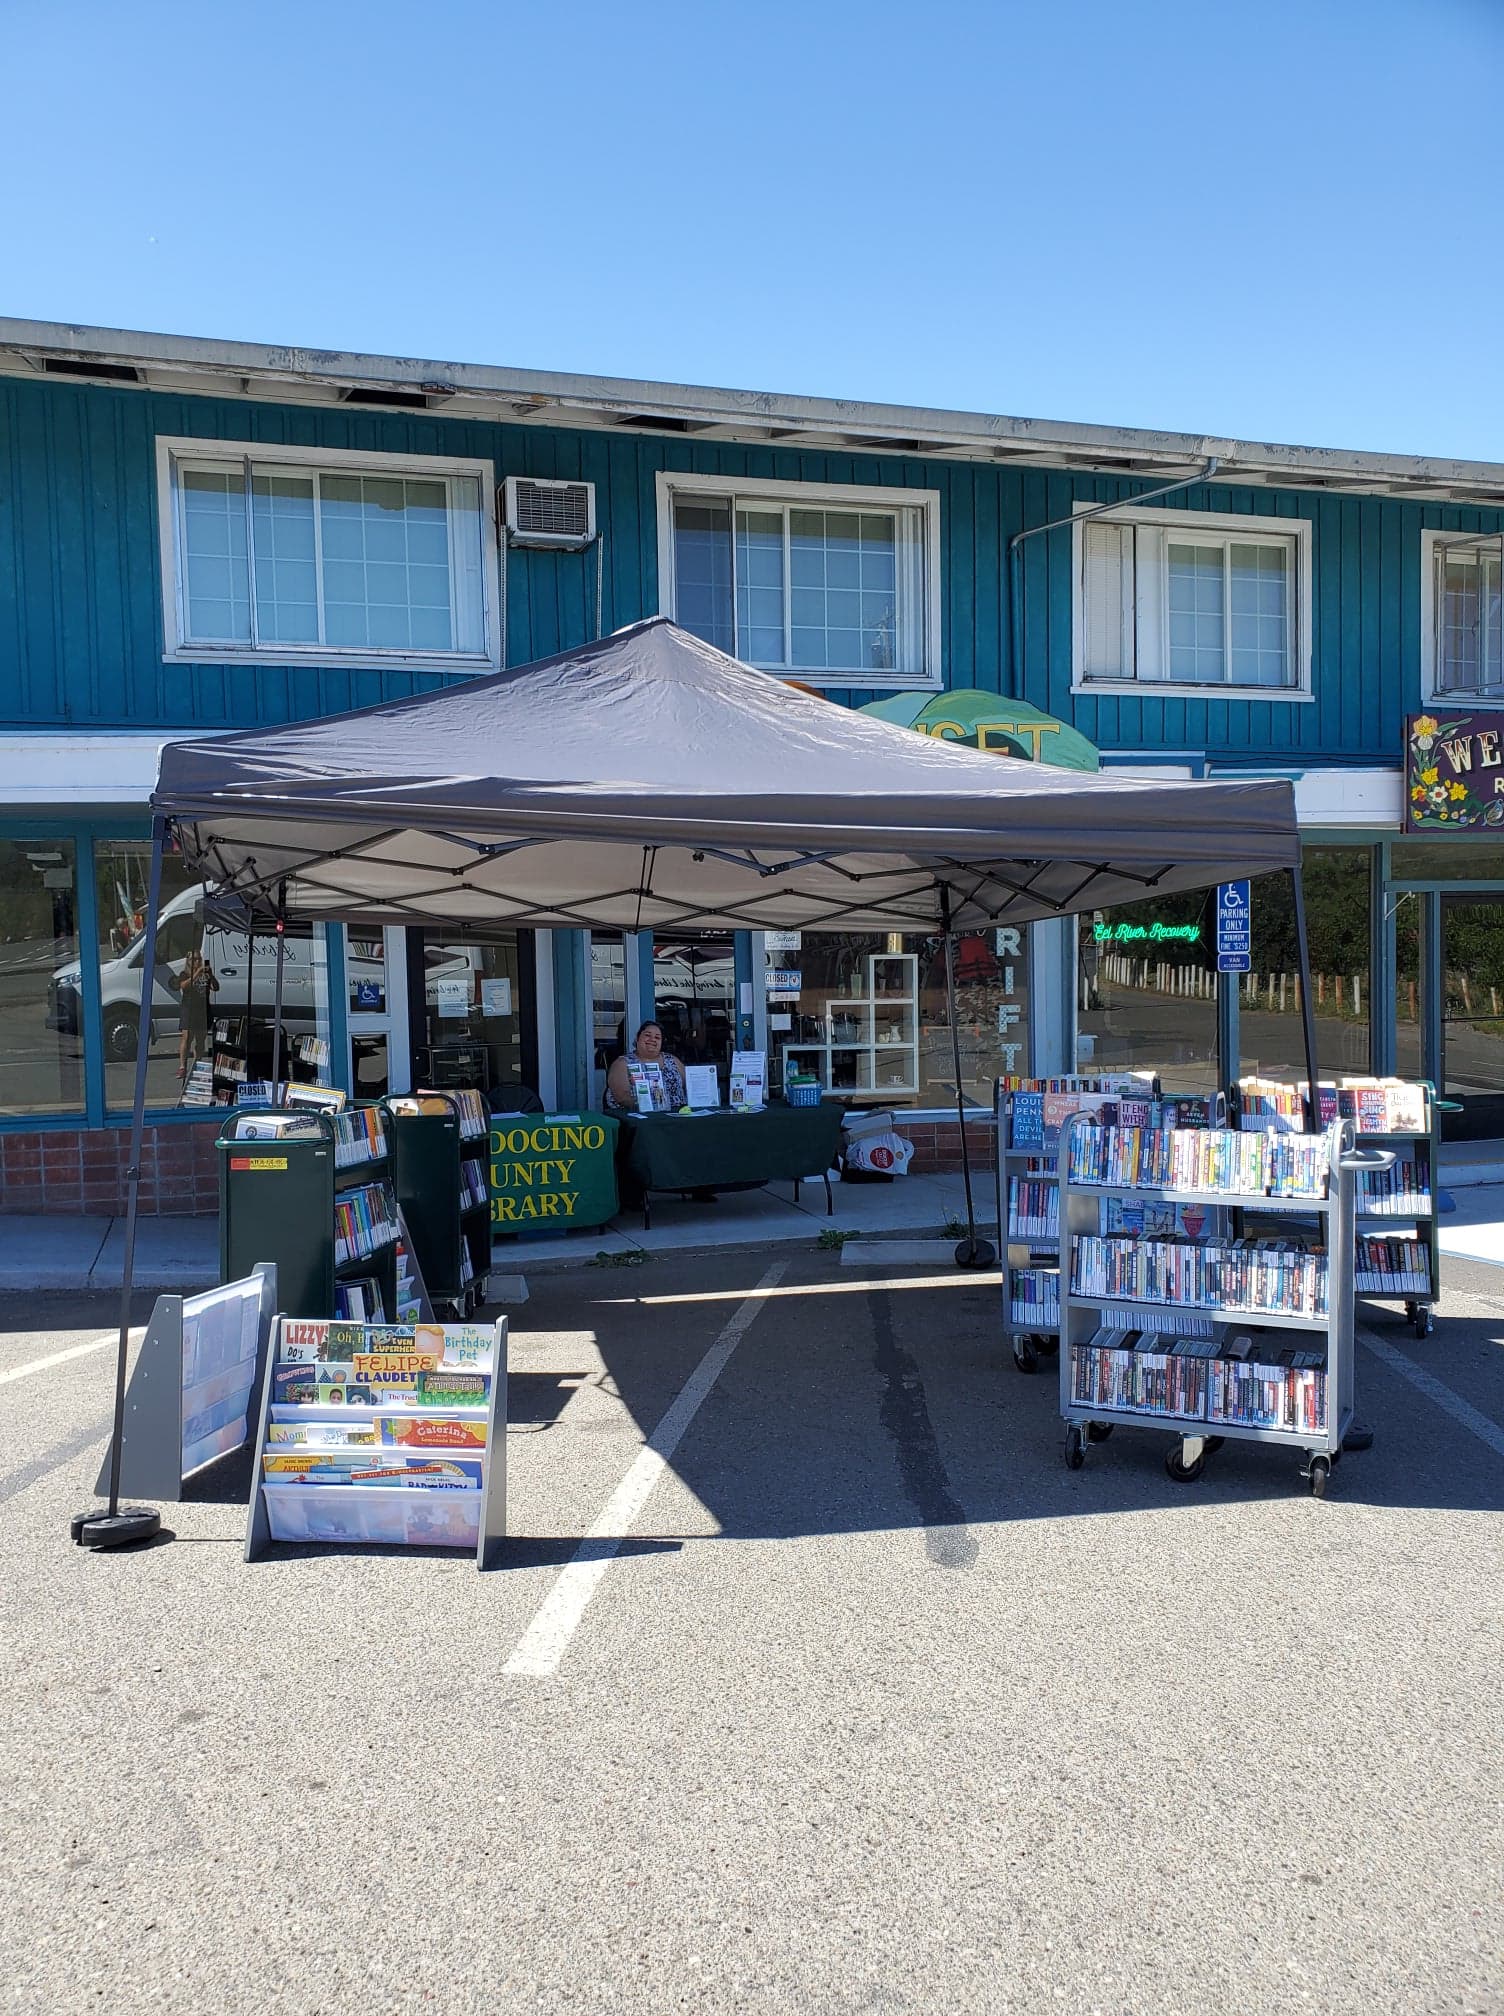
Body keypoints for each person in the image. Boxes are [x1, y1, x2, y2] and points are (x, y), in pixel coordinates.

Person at [605, 1020, 687, 1115]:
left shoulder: (672, 1060)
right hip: (637, 1117)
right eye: (647, 1035)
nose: (652, 1039)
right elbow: (622, 1096)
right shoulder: (623, 1063)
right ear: (637, 1038)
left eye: (657, 1037)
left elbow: (689, 1086)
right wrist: (650, 1107)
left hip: (677, 1115)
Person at [175, 949, 219, 1081]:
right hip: (189, 1009)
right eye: (194, 959)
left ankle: (197, 1063)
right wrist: (197, 973)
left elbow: (216, 987)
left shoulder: (205, 975)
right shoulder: (184, 974)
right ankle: (182, 1066)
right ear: (188, 961)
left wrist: (211, 975)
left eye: (199, 959)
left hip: (203, 1009)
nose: (197, 961)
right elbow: (183, 986)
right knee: (187, 1037)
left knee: (200, 1040)